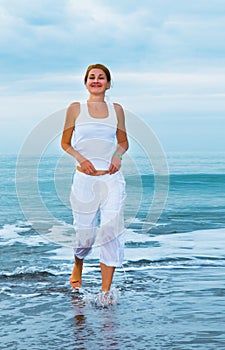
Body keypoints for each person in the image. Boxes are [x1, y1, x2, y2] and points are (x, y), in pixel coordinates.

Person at [61, 63, 129, 292]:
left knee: (110, 230)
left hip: (112, 180)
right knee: (85, 236)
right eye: (92, 77)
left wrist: (118, 155)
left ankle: (105, 291)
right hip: (84, 181)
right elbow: (65, 143)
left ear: (108, 84)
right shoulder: (75, 108)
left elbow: (123, 142)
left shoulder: (116, 109)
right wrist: (82, 160)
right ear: (86, 82)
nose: (96, 81)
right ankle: (78, 263)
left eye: (101, 77)